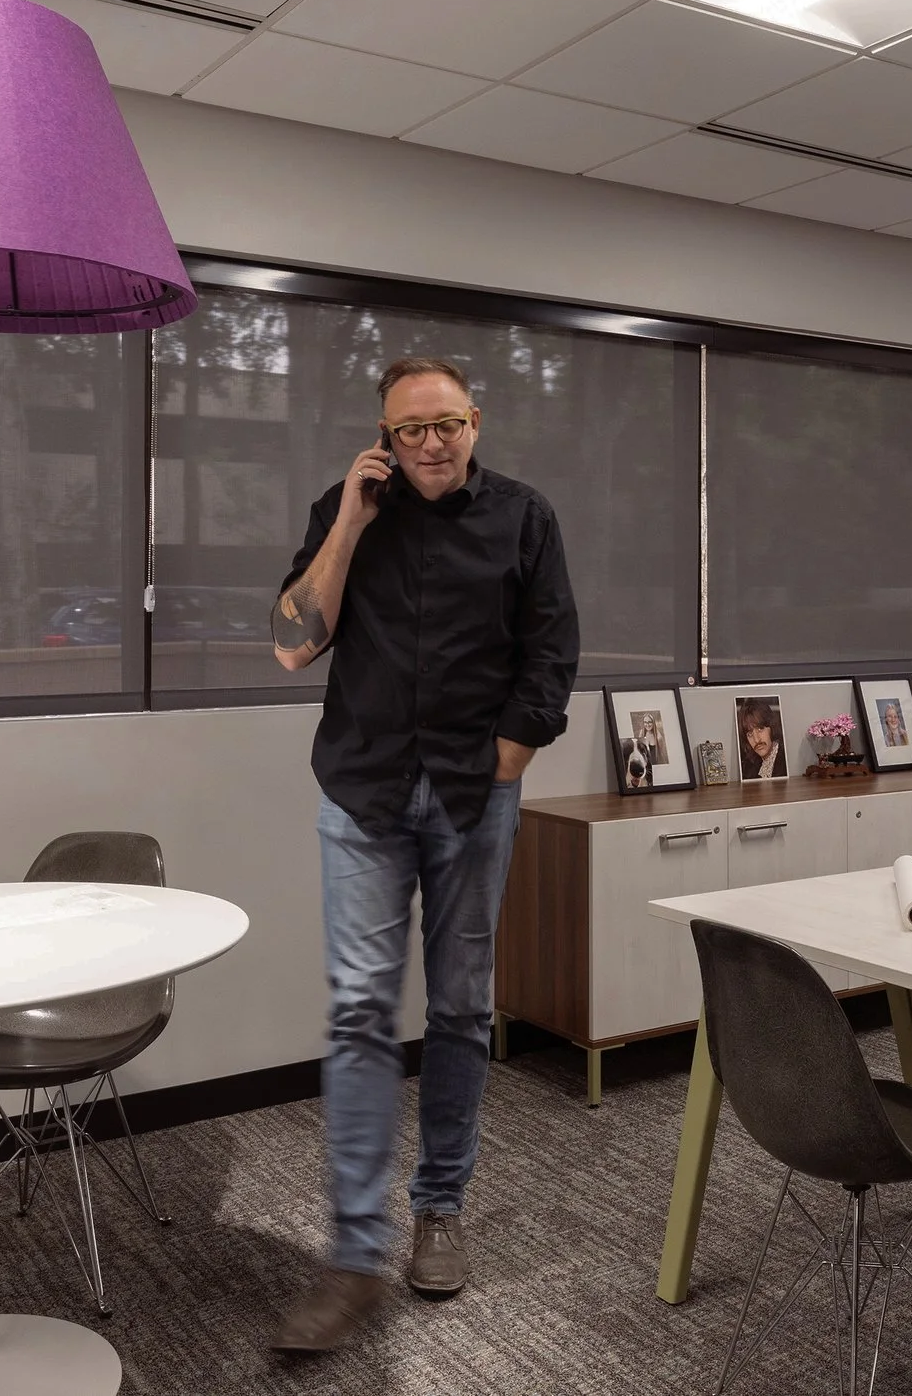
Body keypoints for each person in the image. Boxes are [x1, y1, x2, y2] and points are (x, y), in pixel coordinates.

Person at [266, 356, 579, 1353]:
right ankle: (354, 1253)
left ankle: (438, 1208)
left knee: (457, 1007)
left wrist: (510, 752)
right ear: (383, 437)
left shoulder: (525, 517)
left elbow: (552, 648)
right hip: (361, 793)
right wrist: (351, 524)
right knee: (360, 1007)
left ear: (475, 423)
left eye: (449, 423)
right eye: (412, 428)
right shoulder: (345, 507)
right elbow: (290, 640)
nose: (433, 442)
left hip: (470, 798)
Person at [736, 696, 788, 780]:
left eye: (760, 729)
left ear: (771, 727)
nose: (756, 740)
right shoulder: (748, 767)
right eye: (750, 734)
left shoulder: (786, 760)